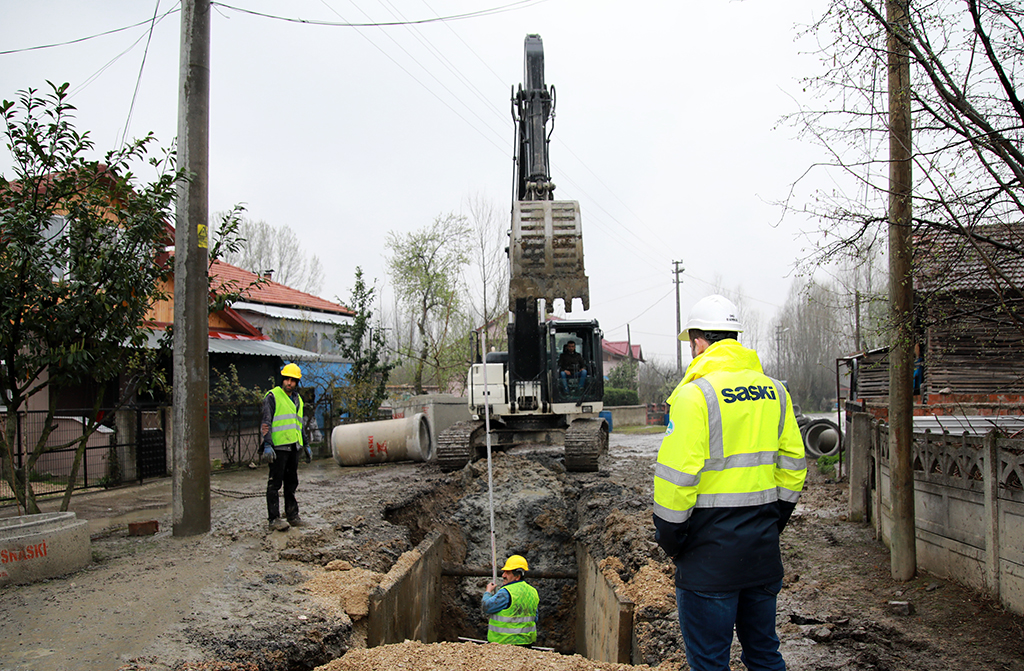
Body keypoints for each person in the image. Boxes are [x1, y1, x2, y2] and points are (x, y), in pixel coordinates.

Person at [652, 294, 806, 671]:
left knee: (710, 663)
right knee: (765, 654)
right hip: (762, 555)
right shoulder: (776, 391)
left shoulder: (694, 395)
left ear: (699, 342)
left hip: (708, 563)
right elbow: (794, 470)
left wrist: (672, 542)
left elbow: (676, 483)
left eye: (692, 345)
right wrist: (771, 523)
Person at [261, 362, 311, 532]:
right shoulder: (272, 396)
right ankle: (273, 518)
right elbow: (266, 422)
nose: (289, 383)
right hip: (278, 447)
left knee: (291, 483)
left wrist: (306, 444)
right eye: (287, 379)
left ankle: (292, 515)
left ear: (297, 382)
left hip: (293, 447)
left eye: (293, 380)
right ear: (283, 379)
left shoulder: (298, 400)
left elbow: (299, 424)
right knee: (274, 484)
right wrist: (267, 444)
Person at [481, 554, 540, 645]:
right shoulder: (533, 592)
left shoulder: (506, 592)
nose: (503, 575)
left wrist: (488, 592)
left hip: (503, 643)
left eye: (507, 573)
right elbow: (535, 618)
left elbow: (487, 607)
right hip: (526, 643)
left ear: (517, 576)